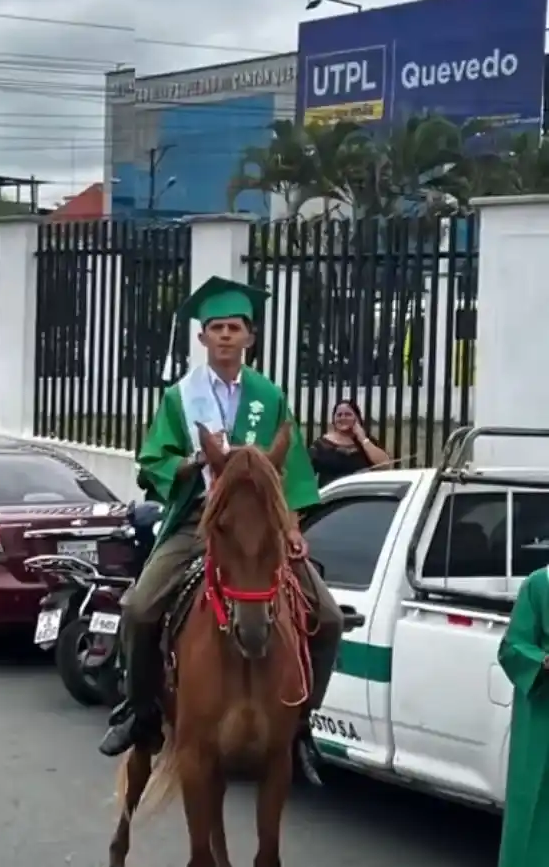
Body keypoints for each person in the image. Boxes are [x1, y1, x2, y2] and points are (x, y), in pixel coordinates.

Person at [99, 275, 344, 777]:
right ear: (202, 338)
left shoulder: (269, 397)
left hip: (260, 530)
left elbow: (292, 470)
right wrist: (189, 463)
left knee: (331, 618)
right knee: (141, 609)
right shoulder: (180, 398)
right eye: (216, 328)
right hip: (198, 521)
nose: (226, 336)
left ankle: (301, 726)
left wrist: (292, 527)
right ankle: (139, 710)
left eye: (234, 327)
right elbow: (153, 459)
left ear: (250, 337)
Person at [496, 566, 549, 867]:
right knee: (535, 803)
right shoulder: (540, 585)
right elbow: (512, 647)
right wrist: (542, 661)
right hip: (543, 716)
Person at [308, 398, 391, 488]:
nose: (343, 418)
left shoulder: (366, 441)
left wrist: (362, 439)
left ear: (357, 418)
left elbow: (385, 465)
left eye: (348, 414)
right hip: (331, 498)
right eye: (339, 415)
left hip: (361, 497)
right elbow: (304, 475)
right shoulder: (321, 445)